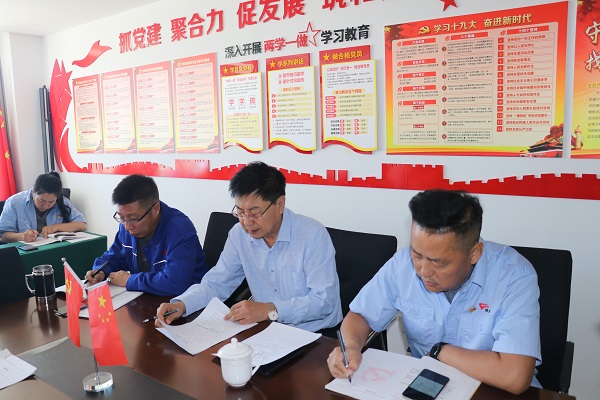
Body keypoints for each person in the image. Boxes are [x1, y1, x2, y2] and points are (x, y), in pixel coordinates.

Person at [327, 189, 541, 395]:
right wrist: (351, 347)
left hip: (493, 392)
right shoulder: (402, 265)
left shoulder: (513, 276)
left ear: (474, 254)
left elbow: (515, 376)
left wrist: (442, 352)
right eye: (417, 254)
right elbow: (361, 315)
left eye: (438, 262)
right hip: (427, 387)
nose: (423, 271)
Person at [155, 161, 342, 332]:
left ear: (280, 204)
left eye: (254, 212)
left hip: (316, 333)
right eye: (240, 212)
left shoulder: (312, 235)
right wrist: (182, 304)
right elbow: (216, 283)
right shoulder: (239, 235)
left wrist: (269, 310)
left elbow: (323, 302)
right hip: (268, 329)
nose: (246, 222)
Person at [84, 174, 208, 296]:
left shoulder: (180, 231)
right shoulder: (127, 225)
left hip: (184, 302)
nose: (127, 226)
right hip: (145, 296)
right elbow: (114, 256)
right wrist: (100, 271)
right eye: (121, 217)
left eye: (133, 218)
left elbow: (175, 283)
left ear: (155, 209)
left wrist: (130, 280)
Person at [0, 171, 86, 243]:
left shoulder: (62, 201)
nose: (46, 206)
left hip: (55, 248)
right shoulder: (14, 202)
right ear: (33, 192)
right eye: (42, 200)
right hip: (25, 252)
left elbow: (82, 225)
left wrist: (56, 227)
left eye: (51, 202)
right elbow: (3, 237)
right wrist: (22, 236)